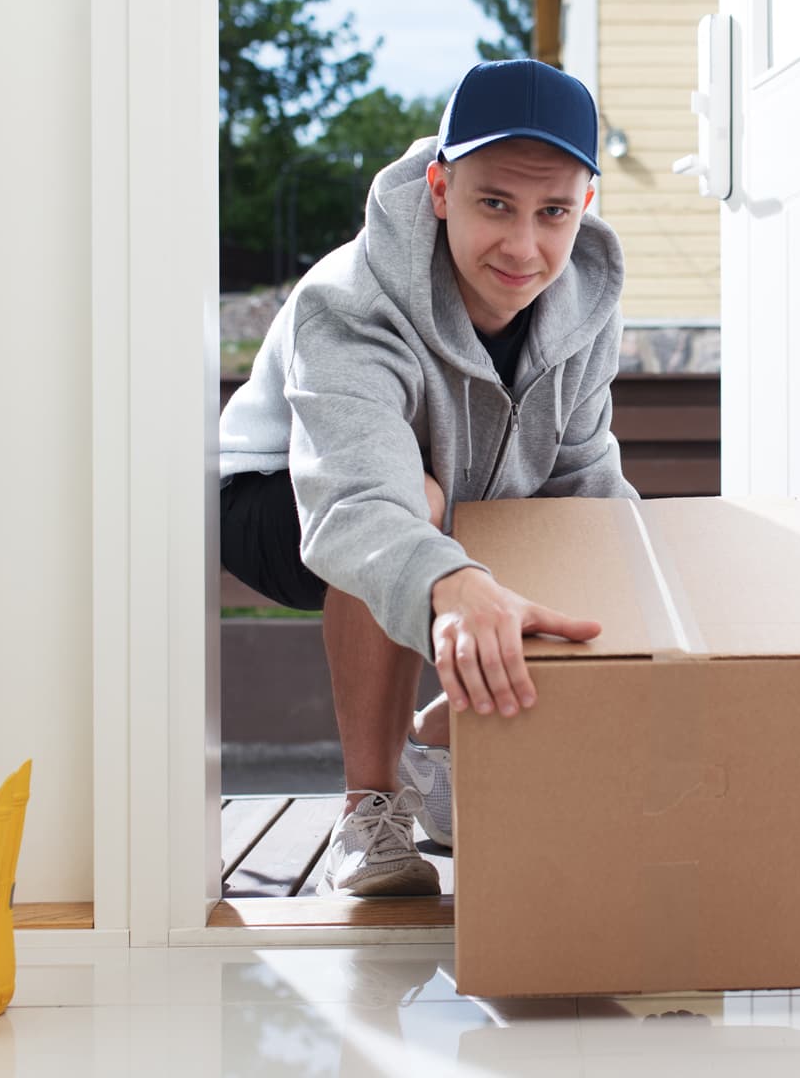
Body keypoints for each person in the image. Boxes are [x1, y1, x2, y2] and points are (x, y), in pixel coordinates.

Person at [217, 58, 637, 897]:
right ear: (442, 189)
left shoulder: (585, 300)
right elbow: (356, 501)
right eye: (494, 205)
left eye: (552, 211)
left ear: (584, 203)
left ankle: (438, 739)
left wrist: (643, 601)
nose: (524, 246)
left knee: (577, 553)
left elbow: (585, 481)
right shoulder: (351, 299)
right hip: (285, 497)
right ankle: (370, 810)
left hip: (463, 510)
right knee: (416, 501)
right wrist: (451, 574)